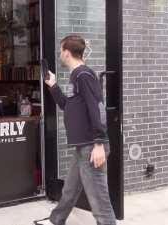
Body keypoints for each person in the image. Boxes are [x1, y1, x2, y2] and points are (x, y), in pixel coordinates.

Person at [34, 35, 116, 225]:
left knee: (100, 204)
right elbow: (66, 105)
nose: (60, 54)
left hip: (92, 148)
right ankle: (56, 220)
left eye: (61, 50)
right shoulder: (76, 76)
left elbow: (98, 107)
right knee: (70, 190)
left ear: (67, 53)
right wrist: (53, 85)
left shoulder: (84, 75)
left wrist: (99, 143)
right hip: (83, 147)